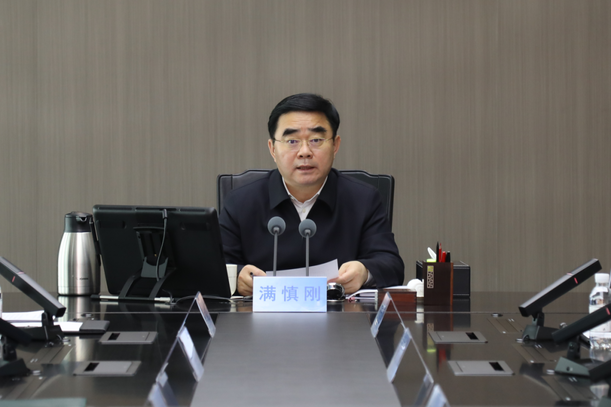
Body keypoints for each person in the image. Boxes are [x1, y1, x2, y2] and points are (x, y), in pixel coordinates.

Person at [219, 93, 404, 296]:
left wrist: (364, 272)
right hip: (262, 314)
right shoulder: (240, 202)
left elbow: (391, 265)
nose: (304, 152)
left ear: (335, 145)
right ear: (272, 149)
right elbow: (216, 267)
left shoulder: (363, 199)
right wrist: (238, 277)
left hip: (339, 314)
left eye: (316, 140)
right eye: (292, 141)